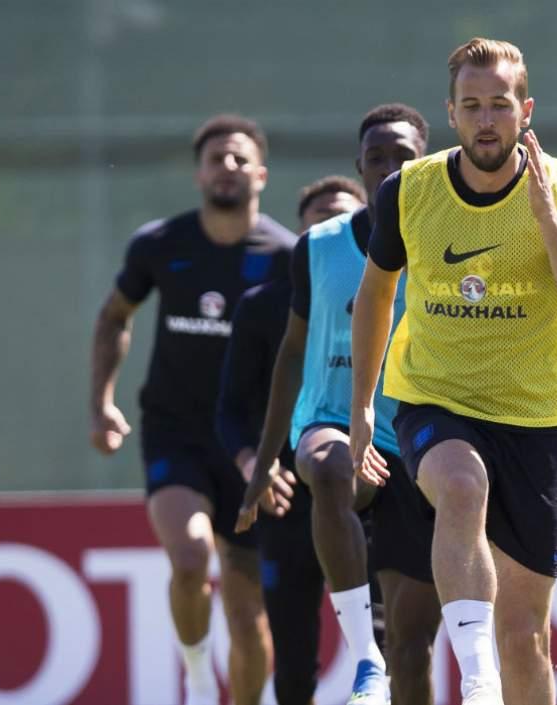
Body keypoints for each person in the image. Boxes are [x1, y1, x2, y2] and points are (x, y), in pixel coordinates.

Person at [349, 38, 557, 705]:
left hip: (532, 417)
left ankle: (500, 671)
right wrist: (362, 407)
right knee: (462, 486)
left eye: (499, 104)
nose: (486, 119)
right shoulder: (410, 191)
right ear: (452, 112)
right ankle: (476, 677)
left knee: (527, 636)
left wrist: (545, 218)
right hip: (436, 399)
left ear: (526, 110)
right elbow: (377, 292)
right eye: (472, 106)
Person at [238, 103, 442, 705]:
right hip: (329, 421)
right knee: (328, 467)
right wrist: (265, 462)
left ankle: (390, 664)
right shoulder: (319, 246)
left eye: (403, 156)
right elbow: (293, 353)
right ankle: (362, 658)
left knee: (414, 645)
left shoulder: (451, 243)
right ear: (359, 166)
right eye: (376, 157)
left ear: (426, 163)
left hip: (419, 434)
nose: (388, 168)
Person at [89, 114, 293, 705]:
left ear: (260, 172)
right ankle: (199, 678)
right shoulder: (160, 245)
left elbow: (307, 351)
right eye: (215, 159)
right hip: (175, 433)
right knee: (191, 555)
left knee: (249, 608)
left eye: (238, 158)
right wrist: (101, 404)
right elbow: (113, 317)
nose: (226, 167)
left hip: (252, 449)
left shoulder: (286, 256)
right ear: (198, 172)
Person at [216, 174, 366, 705]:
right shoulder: (262, 307)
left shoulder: (395, 291)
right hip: (288, 498)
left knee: (393, 649)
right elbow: (231, 409)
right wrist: (257, 462)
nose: (328, 225)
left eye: (341, 216)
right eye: (317, 219)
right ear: (301, 235)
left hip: (371, 486)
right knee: (296, 659)